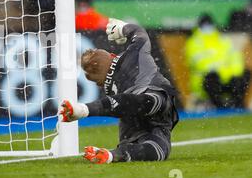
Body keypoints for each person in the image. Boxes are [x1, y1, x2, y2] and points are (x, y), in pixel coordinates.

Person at [58, 18, 179, 164]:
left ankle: (84, 110)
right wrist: (123, 29)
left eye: (97, 81)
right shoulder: (135, 51)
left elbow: (117, 104)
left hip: (147, 102)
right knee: (157, 148)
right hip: (150, 107)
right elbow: (139, 33)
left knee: (138, 107)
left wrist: (123, 28)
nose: (98, 86)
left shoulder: (130, 58)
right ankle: (112, 155)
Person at [185, 14, 250, 108]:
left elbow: (235, 57)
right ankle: (220, 107)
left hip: (226, 78)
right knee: (212, 77)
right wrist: (218, 68)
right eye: (205, 25)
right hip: (206, 81)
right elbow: (199, 62)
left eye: (209, 25)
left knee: (244, 74)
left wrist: (235, 73)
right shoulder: (194, 42)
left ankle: (237, 106)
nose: (208, 28)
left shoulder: (222, 40)